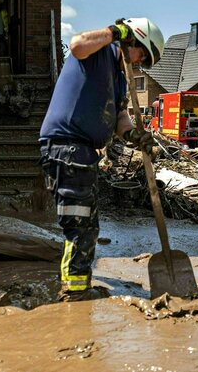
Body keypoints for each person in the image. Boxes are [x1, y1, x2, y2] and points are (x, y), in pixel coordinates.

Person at [39, 18, 164, 302]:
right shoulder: (98, 52)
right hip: (67, 147)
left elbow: (120, 117)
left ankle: (77, 285)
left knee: (89, 226)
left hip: (82, 152)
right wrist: (113, 33)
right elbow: (77, 45)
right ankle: (75, 292)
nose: (139, 62)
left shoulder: (120, 78)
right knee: (79, 224)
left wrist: (133, 136)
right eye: (141, 54)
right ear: (132, 39)